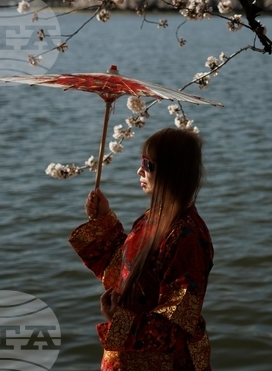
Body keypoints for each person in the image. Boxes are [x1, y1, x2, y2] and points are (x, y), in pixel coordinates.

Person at [69, 127, 214, 371]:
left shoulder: (188, 237)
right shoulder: (153, 218)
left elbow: (175, 326)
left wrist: (120, 320)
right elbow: (127, 269)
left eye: (148, 164)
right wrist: (104, 218)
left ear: (172, 171)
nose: (139, 170)